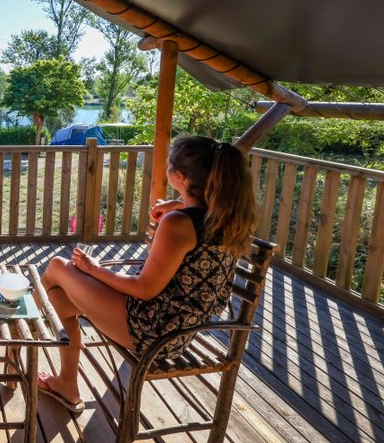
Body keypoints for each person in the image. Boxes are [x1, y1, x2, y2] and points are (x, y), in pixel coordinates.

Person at [38, 136, 258, 413]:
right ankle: (66, 383)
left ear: (178, 175)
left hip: (153, 332)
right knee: (59, 299)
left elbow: (144, 289)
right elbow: (195, 216)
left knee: (57, 267)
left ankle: (19, 327)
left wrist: (93, 268)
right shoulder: (224, 215)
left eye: (168, 164)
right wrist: (177, 204)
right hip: (180, 328)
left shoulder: (178, 224)